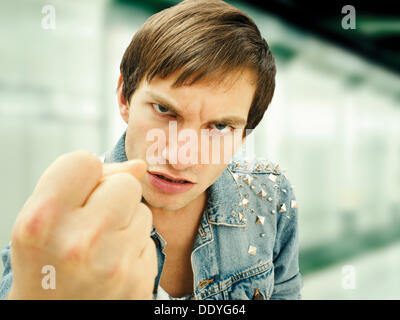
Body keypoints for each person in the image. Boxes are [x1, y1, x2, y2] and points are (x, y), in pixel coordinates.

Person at [0, 0, 302, 300]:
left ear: (244, 134)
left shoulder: (270, 196)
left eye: (220, 127)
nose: (181, 157)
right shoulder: (62, 227)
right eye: (164, 110)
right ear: (124, 97)